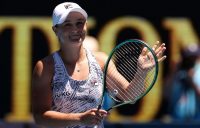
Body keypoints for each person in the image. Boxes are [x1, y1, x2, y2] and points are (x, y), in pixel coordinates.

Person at [31, 2, 167, 128]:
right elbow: (40, 117)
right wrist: (79, 118)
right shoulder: (45, 67)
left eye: (79, 23)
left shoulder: (101, 61)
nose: (75, 29)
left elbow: (129, 96)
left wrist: (141, 72)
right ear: (55, 29)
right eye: (67, 24)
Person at [168, 45, 200, 121]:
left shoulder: (198, 72)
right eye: (189, 58)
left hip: (196, 119)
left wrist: (191, 81)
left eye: (194, 58)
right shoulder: (179, 72)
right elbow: (167, 94)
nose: (191, 61)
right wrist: (173, 72)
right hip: (177, 118)